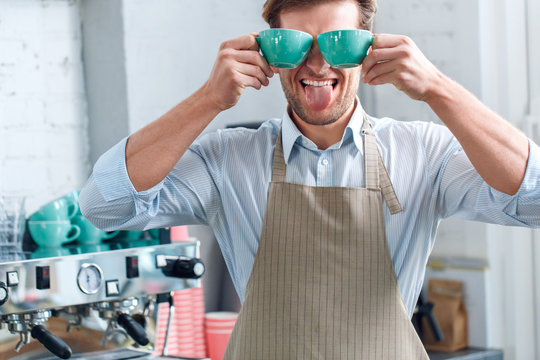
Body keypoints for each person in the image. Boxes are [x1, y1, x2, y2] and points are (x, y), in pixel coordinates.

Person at [80, 0, 540, 358]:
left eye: (339, 43)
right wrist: (207, 99)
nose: (317, 66)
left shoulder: (423, 152)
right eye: (295, 45)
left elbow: (534, 200)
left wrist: (438, 87)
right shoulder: (228, 160)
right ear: (268, 52)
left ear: (368, 47)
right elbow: (104, 205)